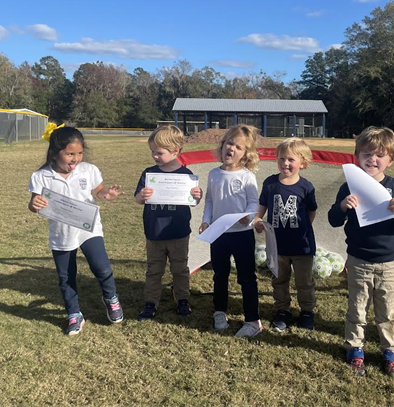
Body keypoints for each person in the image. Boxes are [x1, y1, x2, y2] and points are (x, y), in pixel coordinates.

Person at [328, 126, 394, 377]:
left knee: (387, 310)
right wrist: (343, 207)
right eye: (366, 153)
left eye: (379, 154)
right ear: (357, 156)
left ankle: (391, 351)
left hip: (389, 261)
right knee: (357, 307)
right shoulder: (349, 187)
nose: (372, 159)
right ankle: (355, 349)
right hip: (358, 259)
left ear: (390, 159)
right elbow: (334, 220)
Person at [28, 124, 124, 336]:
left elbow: (99, 191)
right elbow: (33, 203)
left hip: (89, 229)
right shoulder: (40, 176)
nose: (75, 158)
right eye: (70, 154)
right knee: (66, 277)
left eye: (79, 153)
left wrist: (107, 194)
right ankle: (74, 314)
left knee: (102, 268)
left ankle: (111, 298)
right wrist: (35, 204)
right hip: (61, 234)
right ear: (54, 153)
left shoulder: (89, 170)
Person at [134, 125, 202, 321]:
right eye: (152, 152)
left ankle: (182, 299)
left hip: (178, 232)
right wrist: (142, 195)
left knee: (180, 269)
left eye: (159, 153)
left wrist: (197, 195)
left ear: (175, 151)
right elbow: (138, 199)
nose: (155, 156)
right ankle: (151, 302)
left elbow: (194, 201)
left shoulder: (187, 175)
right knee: (154, 270)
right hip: (154, 232)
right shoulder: (149, 173)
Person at [199, 124, 262, 337]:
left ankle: (253, 320)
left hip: (242, 235)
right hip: (218, 233)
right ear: (222, 144)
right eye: (229, 143)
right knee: (220, 275)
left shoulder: (247, 176)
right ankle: (219, 311)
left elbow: (254, 203)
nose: (232, 149)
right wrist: (206, 221)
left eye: (238, 147)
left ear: (246, 154)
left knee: (246, 277)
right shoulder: (213, 174)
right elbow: (209, 200)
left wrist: (248, 217)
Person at [253, 138, 318, 332]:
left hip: (302, 245)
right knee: (279, 279)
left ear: (303, 162)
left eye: (291, 159)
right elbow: (262, 205)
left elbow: (312, 211)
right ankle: (282, 310)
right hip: (277, 244)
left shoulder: (306, 187)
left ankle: (307, 311)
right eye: (281, 159)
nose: (285, 163)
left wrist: (304, 228)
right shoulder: (270, 183)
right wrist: (257, 219)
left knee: (304, 281)